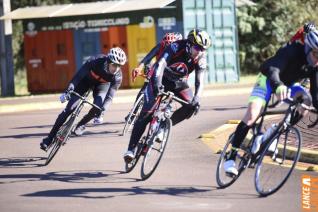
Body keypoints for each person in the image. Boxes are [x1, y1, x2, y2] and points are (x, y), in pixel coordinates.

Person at [224, 29, 318, 176]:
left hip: (289, 85)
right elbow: (273, 68)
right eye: (316, 54)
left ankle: (277, 130)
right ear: (307, 48)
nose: (317, 59)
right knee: (252, 116)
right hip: (268, 80)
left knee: (306, 100)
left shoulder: (315, 66)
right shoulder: (291, 50)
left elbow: (315, 93)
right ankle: (231, 157)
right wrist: (278, 85)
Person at [123, 28, 212, 162]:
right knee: (146, 113)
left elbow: (200, 81)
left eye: (203, 49)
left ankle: (163, 127)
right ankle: (131, 149)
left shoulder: (201, 59)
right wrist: (157, 85)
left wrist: (197, 98)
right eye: (198, 47)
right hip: (160, 76)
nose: (200, 52)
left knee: (192, 106)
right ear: (189, 43)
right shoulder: (176, 46)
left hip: (178, 82)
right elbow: (160, 65)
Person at [40, 47, 127, 151]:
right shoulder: (95, 61)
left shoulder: (117, 77)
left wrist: (103, 110)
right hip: (85, 82)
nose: (116, 68)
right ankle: (49, 138)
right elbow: (78, 76)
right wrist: (69, 90)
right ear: (108, 61)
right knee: (69, 109)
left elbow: (110, 97)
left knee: (98, 107)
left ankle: (81, 125)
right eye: (114, 65)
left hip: (102, 86)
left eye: (119, 66)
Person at [119, 32, 183, 124]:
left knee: (173, 88)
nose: (167, 49)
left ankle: (168, 105)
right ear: (163, 43)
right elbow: (147, 58)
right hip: (158, 69)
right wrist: (139, 68)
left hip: (171, 72)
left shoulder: (179, 52)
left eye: (170, 46)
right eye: (165, 45)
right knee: (144, 86)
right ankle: (133, 112)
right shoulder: (159, 46)